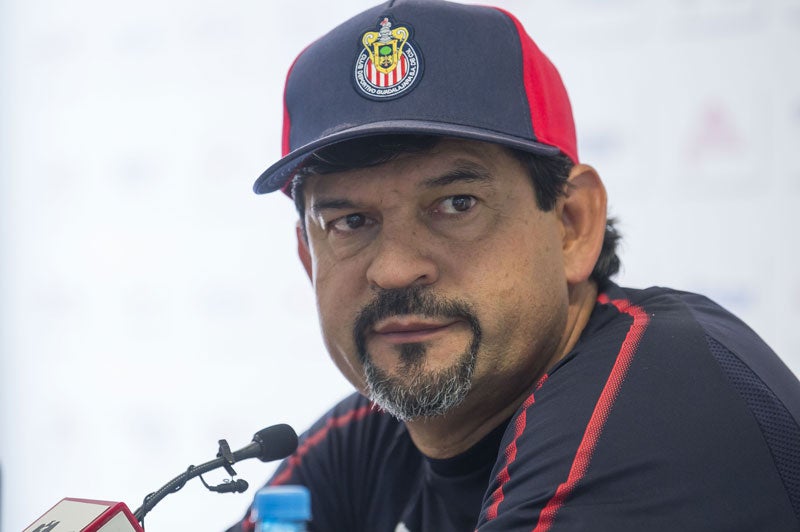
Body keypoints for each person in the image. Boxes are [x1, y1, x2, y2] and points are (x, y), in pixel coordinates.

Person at [228, 1, 800, 530]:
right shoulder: (376, 437)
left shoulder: (659, 404)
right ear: (309, 257)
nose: (396, 270)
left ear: (572, 223)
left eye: (456, 205)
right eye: (350, 222)